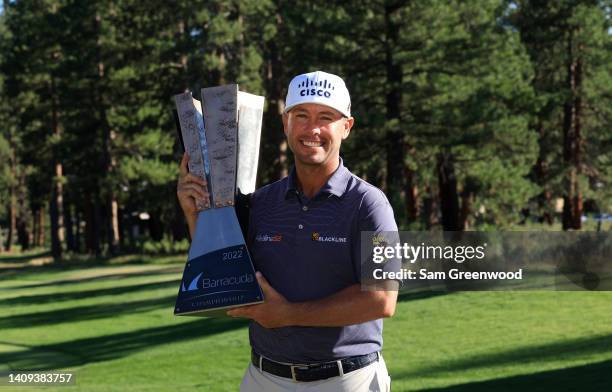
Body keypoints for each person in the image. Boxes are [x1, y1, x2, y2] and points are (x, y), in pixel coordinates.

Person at [177, 71, 399, 392]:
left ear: (346, 127)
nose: (313, 129)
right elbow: (222, 273)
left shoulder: (370, 204)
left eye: (326, 117)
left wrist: (287, 314)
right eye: (301, 116)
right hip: (263, 377)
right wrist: (192, 211)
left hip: (347, 381)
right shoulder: (262, 203)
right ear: (285, 124)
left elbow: (382, 299)